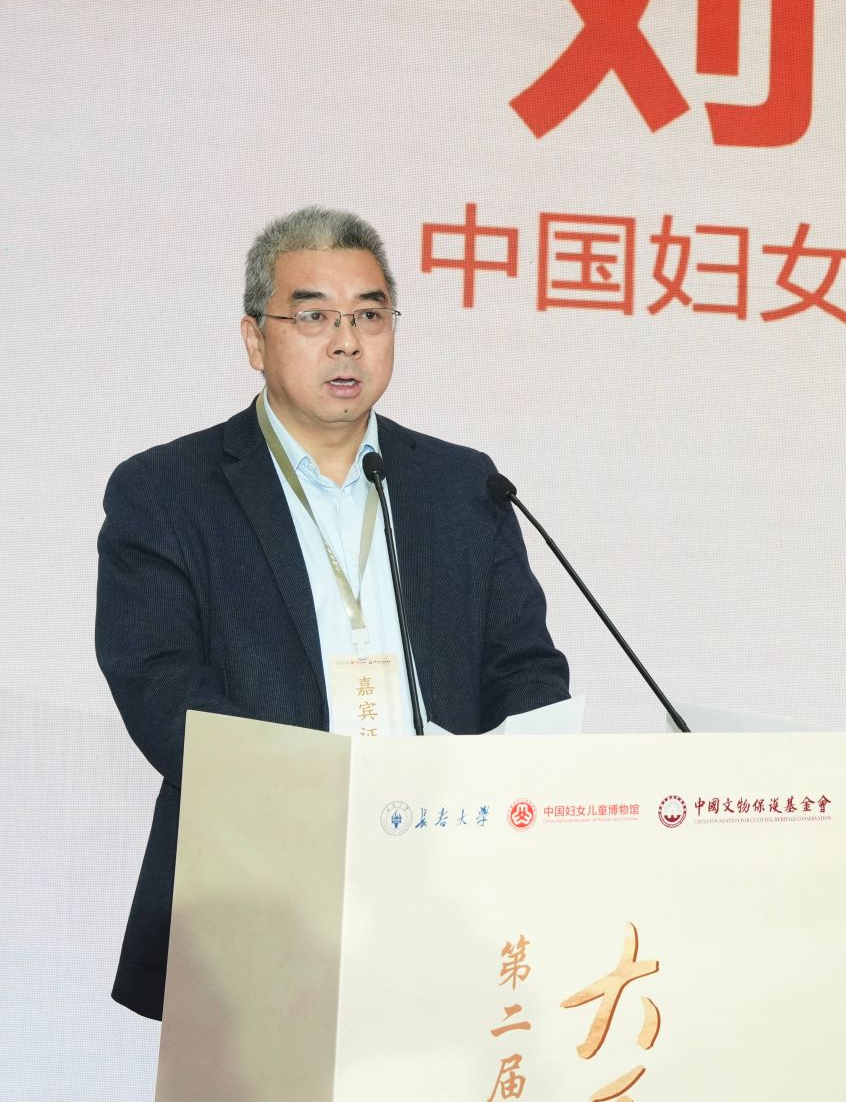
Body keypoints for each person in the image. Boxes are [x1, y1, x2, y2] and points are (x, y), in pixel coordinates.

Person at [95, 205, 569, 1020]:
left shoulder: (464, 487)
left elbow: (524, 667)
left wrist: (499, 797)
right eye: (314, 316)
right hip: (258, 904)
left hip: (448, 897)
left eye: (369, 316)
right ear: (255, 338)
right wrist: (321, 808)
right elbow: (160, 686)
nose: (347, 342)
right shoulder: (168, 492)